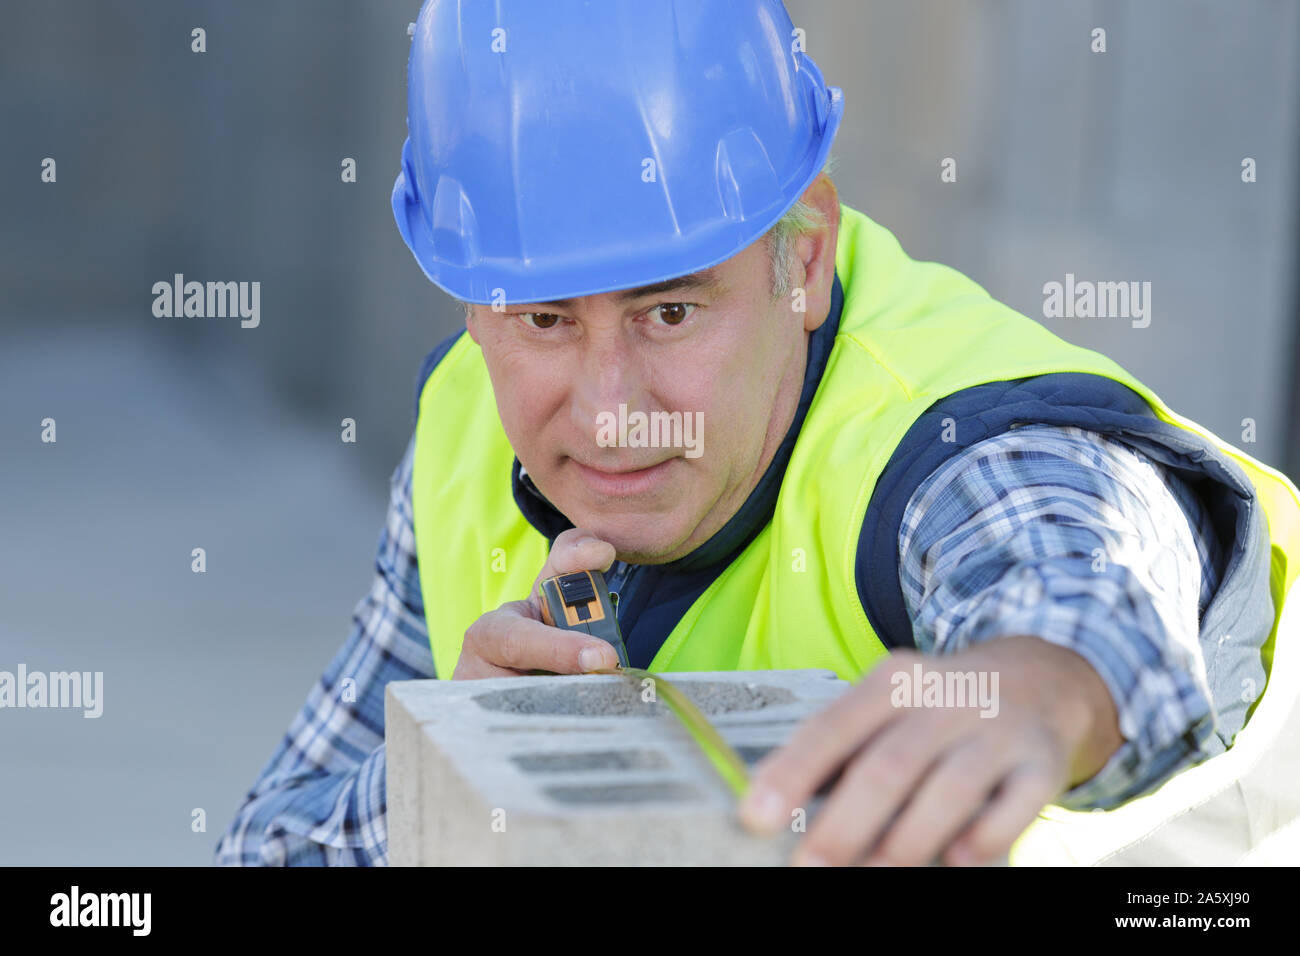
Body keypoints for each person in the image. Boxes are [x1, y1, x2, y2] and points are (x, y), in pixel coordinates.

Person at [214, 0, 1300, 866]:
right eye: (543, 318)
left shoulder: (945, 439)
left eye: (669, 311)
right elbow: (262, 847)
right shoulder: (464, 428)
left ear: (807, 257)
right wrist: (444, 767)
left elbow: (1078, 562)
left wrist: (1040, 684)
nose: (608, 408)